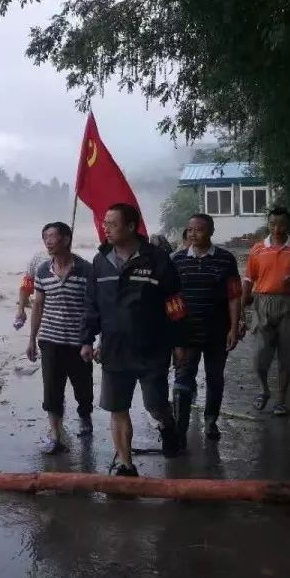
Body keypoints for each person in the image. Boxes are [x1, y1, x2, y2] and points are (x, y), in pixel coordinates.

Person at [82, 203, 188, 476]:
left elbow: (174, 303)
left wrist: (178, 342)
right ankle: (126, 465)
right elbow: (92, 304)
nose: (105, 228)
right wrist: (87, 339)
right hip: (114, 350)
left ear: (131, 227)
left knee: (155, 405)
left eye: (112, 223)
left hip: (152, 347)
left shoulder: (157, 259)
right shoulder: (100, 261)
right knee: (117, 408)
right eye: (104, 223)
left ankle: (167, 425)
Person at [170, 213, 243, 448]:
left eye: (199, 230)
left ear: (210, 232)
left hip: (217, 331)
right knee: (182, 378)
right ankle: (179, 429)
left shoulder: (226, 259)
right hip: (186, 333)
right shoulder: (176, 260)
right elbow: (171, 299)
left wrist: (233, 326)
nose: (193, 234)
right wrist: (174, 336)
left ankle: (211, 420)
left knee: (215, 379)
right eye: (190, 230)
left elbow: (234, 296)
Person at [242, 207, 290, 417]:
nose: (277, 228)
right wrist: (242, 305)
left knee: (287, 354)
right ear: (268, 224)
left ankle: (281, 400)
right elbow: (249, 279)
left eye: (282, 224)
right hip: (263, 303)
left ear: (289, 226)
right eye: (272, 224)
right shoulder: (258, 249)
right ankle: (264, 390)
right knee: (259, 354)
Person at [25, 222, 94, 454]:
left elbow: (93, 308)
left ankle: (85, 415)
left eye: (52, 236)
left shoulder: (85, 269)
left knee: (82, 388)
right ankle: (55, 433)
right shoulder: (43, 270)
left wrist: (92, 339)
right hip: (50, 339)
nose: (48, 241)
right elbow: (38, 306)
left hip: (78, 342)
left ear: (66, 239)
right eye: (45, 237)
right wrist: (32, 338)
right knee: (52, 389)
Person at [14, 250, 49, 330]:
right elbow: (26, 284)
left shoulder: (76, 265)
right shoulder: (38, 258)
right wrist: (21, 309)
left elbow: (26, 284)